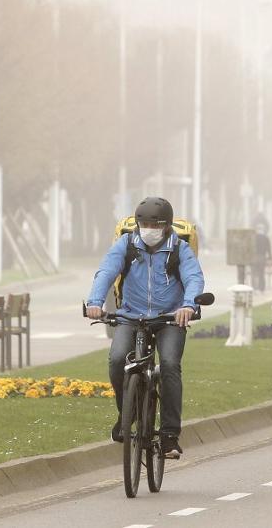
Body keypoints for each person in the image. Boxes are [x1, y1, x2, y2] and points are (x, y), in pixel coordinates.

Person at [85, 196, 205, 460]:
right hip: (131, 315)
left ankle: (169, 436)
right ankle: (126, 414)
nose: (148, 229)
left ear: (166, 226)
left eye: (155, 224)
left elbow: (194, 277)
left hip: (170, 318)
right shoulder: (126, 244)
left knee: (171, 365)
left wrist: (188, 306)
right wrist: (94, 302)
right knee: (117, 360)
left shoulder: (179, 249)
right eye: (144, 223)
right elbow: (106, 271)